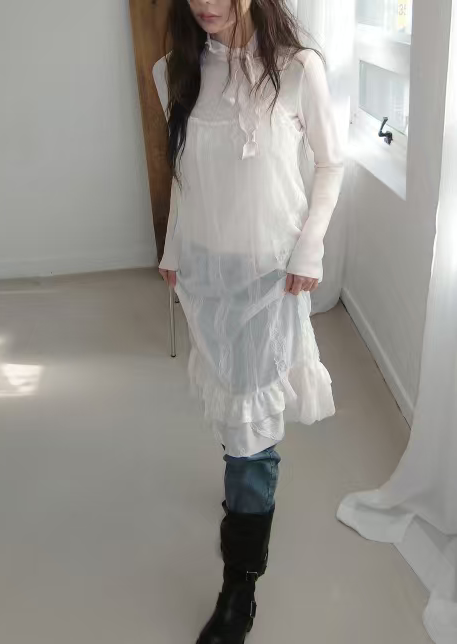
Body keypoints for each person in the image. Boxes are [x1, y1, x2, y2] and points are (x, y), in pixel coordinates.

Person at [154, 0, 343, 641]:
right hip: (207, 271)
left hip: (269, 273)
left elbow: (330, 163)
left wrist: (310, 247)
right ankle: (243, 487)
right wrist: (174, 248)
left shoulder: (297, 68)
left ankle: (240, 585)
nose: (205, 3)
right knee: (233, 396)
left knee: (250, 426)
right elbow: (184, 175)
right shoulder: (173, 71)